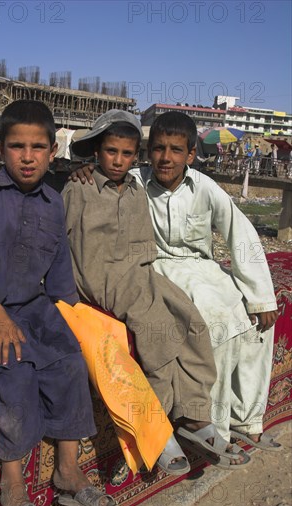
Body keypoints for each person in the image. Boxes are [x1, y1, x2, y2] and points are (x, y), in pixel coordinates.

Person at [0, 100, 118, 506]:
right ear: (1, 150)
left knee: (69, 360)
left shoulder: (54, 202)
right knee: (14, 370)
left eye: (38, 147)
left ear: (52, 152)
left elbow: (58, 273)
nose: (27, 156)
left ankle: (68, 473)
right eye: (17, 146)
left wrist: (74, 316)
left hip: (31, 305)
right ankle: (14, 488)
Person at [74, 111, 281, 453]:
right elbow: (103, 174)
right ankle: (210, 428)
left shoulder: (204, 187)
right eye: (158, 149)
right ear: (148, 151)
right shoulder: (135, 181)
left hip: (204, 267)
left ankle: (247, 420)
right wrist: (82, 169)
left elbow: (239, 233)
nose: (165, 158)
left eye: (175, 149)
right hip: (159, 268)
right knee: (216, 323)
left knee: (257, 322)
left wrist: (261, 296)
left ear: (190, 154)